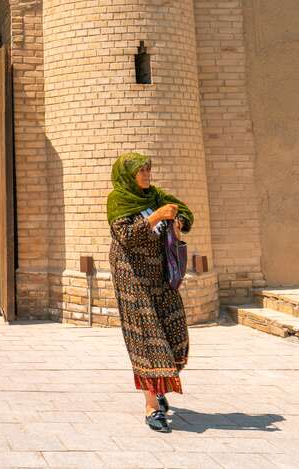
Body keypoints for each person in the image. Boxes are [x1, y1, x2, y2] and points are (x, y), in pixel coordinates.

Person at [106, 151, 194, 434]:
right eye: (141, 171)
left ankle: (158, 387)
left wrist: (178, 220)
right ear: (128, 176)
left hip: (161, 276)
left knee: (175, 333)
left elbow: (184, 211)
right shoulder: (118, 200)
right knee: (147, 340)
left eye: (148, 170)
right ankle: (151, 406)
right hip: (132, 279)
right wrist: (156, 216)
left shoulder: (155, 194)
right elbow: (127, 237)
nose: (147, 175)